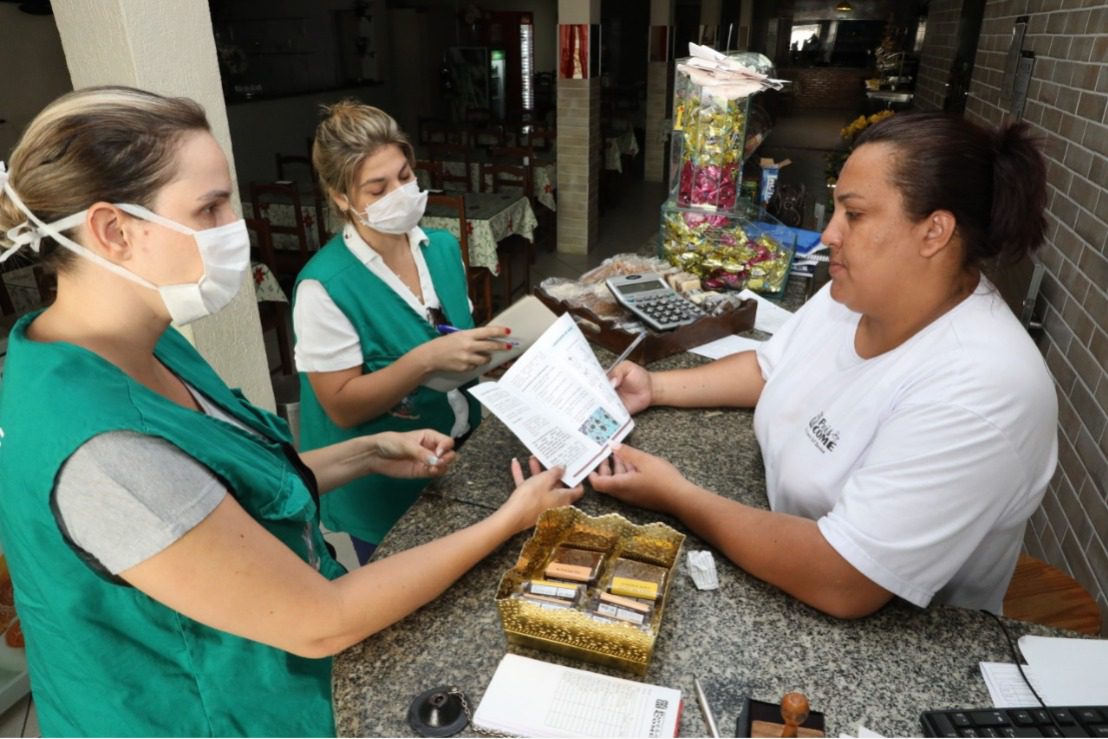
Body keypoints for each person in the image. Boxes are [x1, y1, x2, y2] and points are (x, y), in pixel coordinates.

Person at [0, 86, 582, 737]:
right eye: (211, 207)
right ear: (115, 231)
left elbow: (223, 489)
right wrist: (511, 518)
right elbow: (320, 618)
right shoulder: (100, 451)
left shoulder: (141, 342)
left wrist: (367, 450)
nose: (235, 228)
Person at [591, 112, 1057, 619]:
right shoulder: (857, 293)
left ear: (934, 232)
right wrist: (654, 387)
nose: (828, 234)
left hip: (894, 634)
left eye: (853, 215)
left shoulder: (983, 386)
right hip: (780, 548)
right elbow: (773, 369)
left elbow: (844, 579)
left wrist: (677, 496)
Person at [293, 101, 508, 564]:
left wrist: (492, 351)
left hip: (457, 454)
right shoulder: (325, 286)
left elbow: (455, 332)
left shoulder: (443, 248)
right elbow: (343, 406)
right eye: (378, 189)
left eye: (405, 177)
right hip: (382, 484)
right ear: (341, 198)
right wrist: (426, 359)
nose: (400, 193)